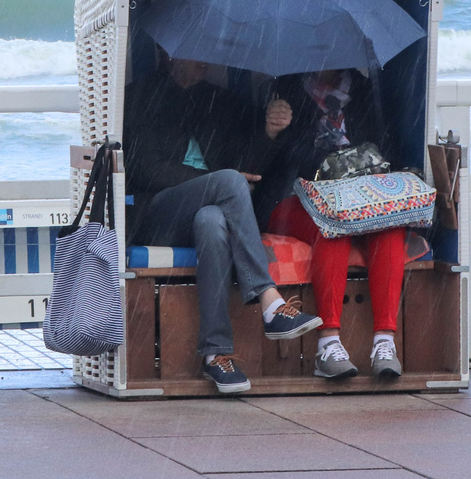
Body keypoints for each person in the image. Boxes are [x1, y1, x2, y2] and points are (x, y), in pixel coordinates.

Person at [125, 51, 323, 393]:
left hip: (208, 211)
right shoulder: (139, 96)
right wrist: (212, 181)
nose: (205, 61)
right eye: (194, 53)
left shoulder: (218, 100)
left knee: (213, 221)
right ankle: (269, 300)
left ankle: (216, 355)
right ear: (168, 55)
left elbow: (247, 168)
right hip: (158, 213)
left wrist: (269, 133)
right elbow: (143, 166)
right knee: (227, 183)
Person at [258, 68, 407, 379]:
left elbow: (389, 150)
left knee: (391, 226)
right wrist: (271, 133)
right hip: (294, 198)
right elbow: (256, 164)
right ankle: (328, 344)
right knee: (332, 224)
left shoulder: (368, 90)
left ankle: (385, 342)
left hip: (362, 197)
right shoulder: (281, 86)